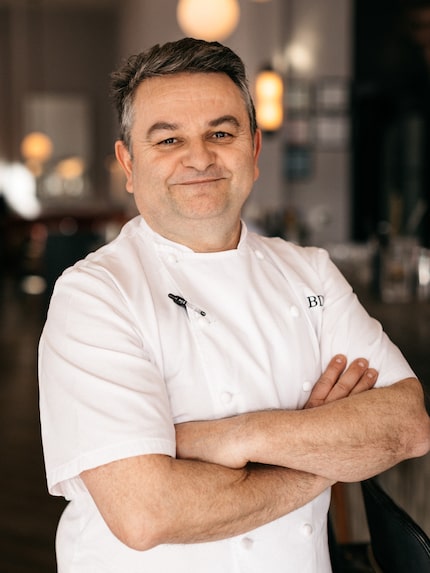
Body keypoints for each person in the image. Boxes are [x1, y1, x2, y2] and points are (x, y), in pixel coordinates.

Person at [38, 37, 430, 572]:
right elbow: (146, 512)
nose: (199, 157)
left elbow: (408, 424)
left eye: (220, 133)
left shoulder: (308, 270)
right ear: (128, 164)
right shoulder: (95, 295)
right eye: (168, 139)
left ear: (254, 150)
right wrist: (328, 455)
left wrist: (237, 438)